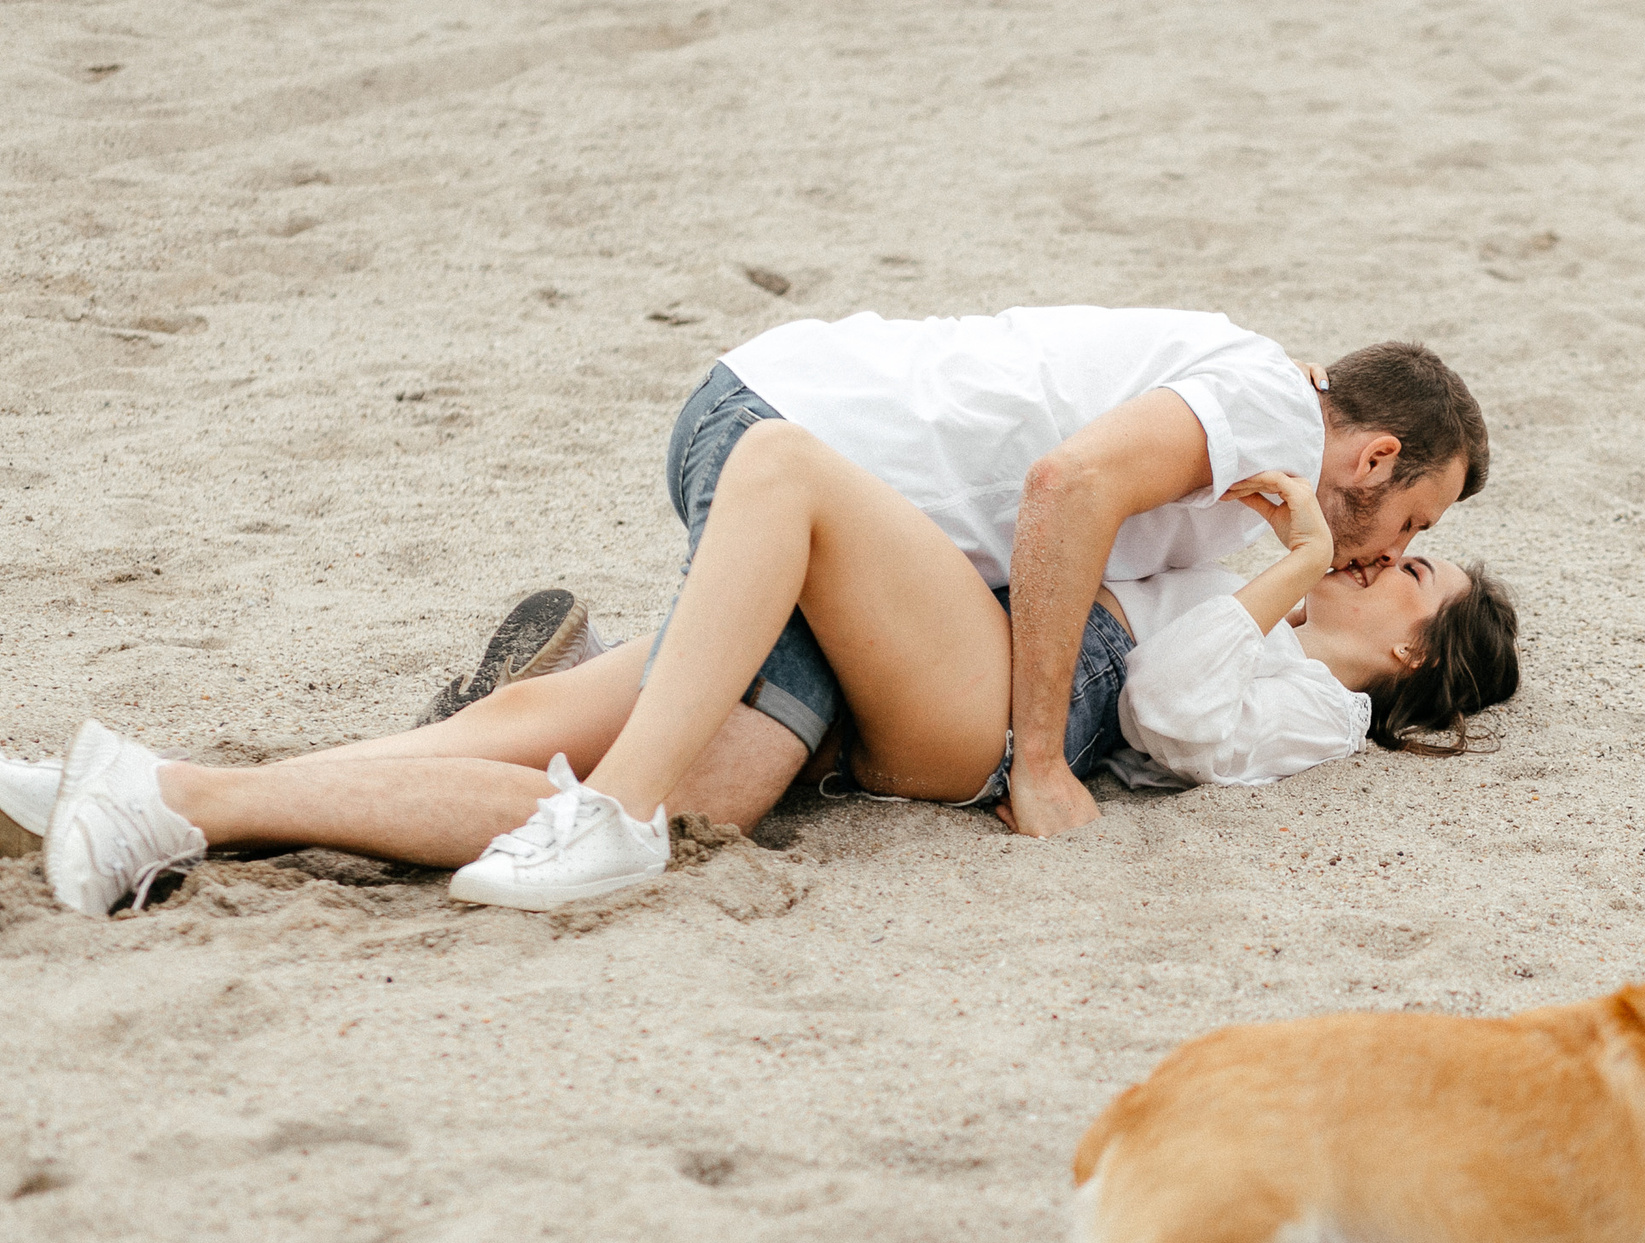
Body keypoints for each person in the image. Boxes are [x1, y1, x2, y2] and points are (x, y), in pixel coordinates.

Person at [38, 307, 1519, 916]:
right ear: (1378, 456)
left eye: (1411, 562)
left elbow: (1159, 674)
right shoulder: (1259, 408)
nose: (1382, 546)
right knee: (688, 744)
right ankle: (195, 801)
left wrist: (1258, 580)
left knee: (675, 767)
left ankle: (133, 797)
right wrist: (1051, 763)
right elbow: (1065, 493)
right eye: (1415, 526)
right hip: (828, 507)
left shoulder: (1271, 556)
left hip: (892, 582)